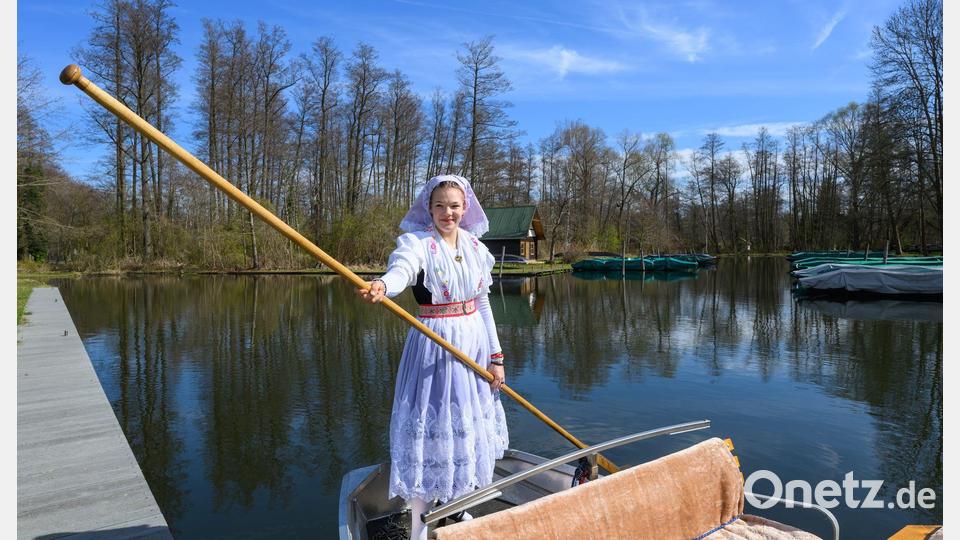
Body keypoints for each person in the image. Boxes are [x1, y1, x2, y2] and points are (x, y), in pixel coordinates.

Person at [357, 174, 509, 540]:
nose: (447, 213)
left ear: (465, 208)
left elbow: (483, 304)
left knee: (465, 427)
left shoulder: (475, 248)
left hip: (473, 349)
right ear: (429, 208)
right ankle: (418, 527)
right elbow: (402, 271)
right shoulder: (418, 244)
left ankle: (457, 505)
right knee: (431, 428)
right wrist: (383, 286)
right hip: (434, 346)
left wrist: (496, 356)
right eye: (440, 205)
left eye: (454, 206)